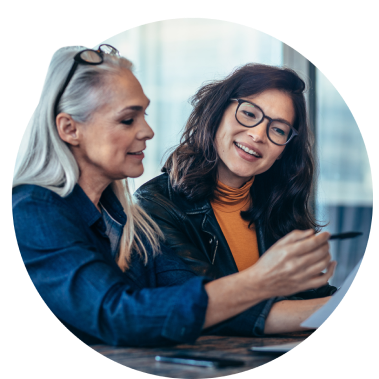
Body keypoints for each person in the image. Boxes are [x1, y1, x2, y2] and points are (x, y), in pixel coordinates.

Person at [12, 45, 335, 348]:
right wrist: (261, 281)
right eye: (128, 119)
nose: (147, 132)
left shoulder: (125, 219)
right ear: (70, 129)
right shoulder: (32, 210)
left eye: (144, 116)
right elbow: (119, 315)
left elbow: (181, 297)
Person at [134, 63, 338, 328]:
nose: (257, 135)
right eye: (249, 114)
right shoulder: (155, 204)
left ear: (284, 150)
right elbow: (207, 309)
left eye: (278, 130)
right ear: (218, 112)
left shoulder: (278, 204)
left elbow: (309, 294)